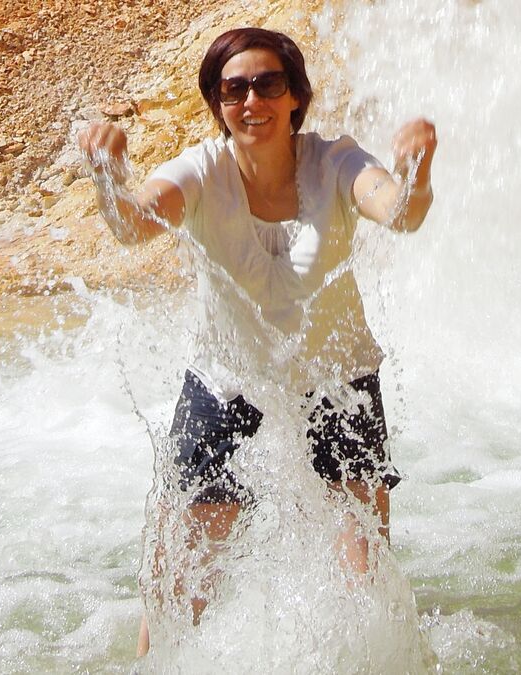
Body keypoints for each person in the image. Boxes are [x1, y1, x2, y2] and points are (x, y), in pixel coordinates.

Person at [78, 27, 437, 657]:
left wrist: (415, 175)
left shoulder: (337, 161)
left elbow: (399, 210)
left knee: (364, 580)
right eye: (234, 88)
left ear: (295, 95)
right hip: (225, 381)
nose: (252, 101)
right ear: (218, 104)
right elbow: (133, 225)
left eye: (268, 84)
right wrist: (108, 176)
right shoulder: (200, 169)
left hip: (337, 383)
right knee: (179, 585)